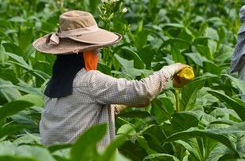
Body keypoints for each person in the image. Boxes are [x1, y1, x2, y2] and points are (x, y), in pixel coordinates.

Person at [33, 10, 188, 148]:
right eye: (95, 51)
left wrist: (124, 103)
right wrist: (171, 69)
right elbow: (143, 91)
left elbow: (82, 114)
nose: (97, 57)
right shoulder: (90, 81)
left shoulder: (53, 84)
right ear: (84, 54)